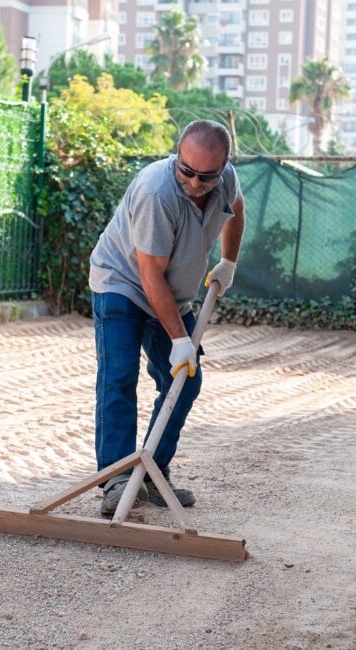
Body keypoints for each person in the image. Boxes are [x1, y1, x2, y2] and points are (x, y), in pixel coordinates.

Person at [87, 119, 246, 516]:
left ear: (223, 168)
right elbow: (149, 275)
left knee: (186, 382)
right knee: (119, 377)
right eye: (186, 171)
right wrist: (178, 341)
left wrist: (228, 261)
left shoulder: (226, 181)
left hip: (172, 293)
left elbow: (237, 210)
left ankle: (154, 471)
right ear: (177, 153)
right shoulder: (157, 192)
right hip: (122, 284)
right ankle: (118, 479)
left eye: (205, 177)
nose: (194, 183)